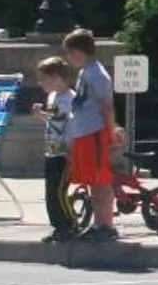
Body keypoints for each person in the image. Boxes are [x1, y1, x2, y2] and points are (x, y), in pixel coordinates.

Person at [59, 30, 117, 241]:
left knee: (101, 180)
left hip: (94, 132)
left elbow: (106, 107)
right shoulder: (85, 72)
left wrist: (110, 132)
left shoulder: (97, 74)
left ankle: (107, 224)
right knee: (93, 180)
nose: (67, 57)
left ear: (76, 51)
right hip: (84, 132)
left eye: (68, 52)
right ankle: (98, 223)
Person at [31, 56, 76, 242]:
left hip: (66, 153)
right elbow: (54, 120)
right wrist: (40, 115)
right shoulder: (53, 97)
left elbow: (74, 124)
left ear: (57, 77)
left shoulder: (71, 99)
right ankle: (58, 226)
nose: (40, 83)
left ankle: (70, 224)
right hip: (52, 150)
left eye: (43, 79)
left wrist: (72, 149)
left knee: (59, 191)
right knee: (50, 192)